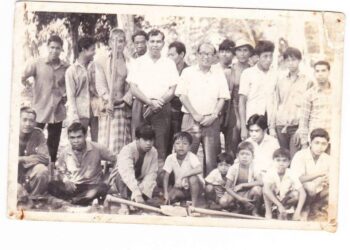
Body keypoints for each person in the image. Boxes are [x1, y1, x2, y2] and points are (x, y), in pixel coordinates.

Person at [176, 42, 230, 176]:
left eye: (210, 54)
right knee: (187, 155)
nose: (206, 57)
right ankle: (184, 187)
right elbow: (182, 96)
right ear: (197, 55)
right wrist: (195, 115)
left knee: (211, 159)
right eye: (203, 54)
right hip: (190, 118)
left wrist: (213, 116)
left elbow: (222, 98)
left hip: (211, 120)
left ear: (214, 57)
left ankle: (210, 189)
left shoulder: (219, 74)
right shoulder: (188, 72)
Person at [127, 29, 179, 168]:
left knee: (160, 143)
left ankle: (158, 181)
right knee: (139, 142)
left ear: (163, 44)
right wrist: (149, 102)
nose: (155, 44)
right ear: (147, 43)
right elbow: (133, 88)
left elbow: (172, 89)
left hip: (162, 107)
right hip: (141, 105)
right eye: (152, 41)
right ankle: (138, 177)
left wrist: (158, 103)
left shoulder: (169, 63)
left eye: (158, 41)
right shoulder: (138, 62)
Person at [22, 35, 69, 162]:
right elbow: (22, 76)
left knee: (53, 142)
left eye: (57, 48)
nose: (54, 51)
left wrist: (65, 96)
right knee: (32, 140)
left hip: (57, 111)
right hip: (39, 109)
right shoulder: (37, 63)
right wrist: (30, 88)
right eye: (52, 47)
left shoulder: (65, 67)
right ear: (48, 47)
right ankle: (28, 165)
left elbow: (69, 84)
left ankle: (51, 169)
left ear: (61, 49)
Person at [48, 122, 113, 205]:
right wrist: (66, 180)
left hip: (92, 185)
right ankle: (82, 200)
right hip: (73, 186)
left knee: (103, 187)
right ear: (68, 138)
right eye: (72, 138)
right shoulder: (65, 152)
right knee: (52, 185)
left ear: (85, 136)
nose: (76, 141)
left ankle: (72, 201)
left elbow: (116, 159)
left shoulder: (97, 148)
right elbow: (60, 171)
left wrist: (108, 178)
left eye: (79, 137)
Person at [95, 28, 132, 155]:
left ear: (125, 43)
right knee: (106, 143)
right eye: (115, 41)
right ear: (110, 42)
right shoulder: (101, 60)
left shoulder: (130, 62)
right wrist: (108, 100)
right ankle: (105, 171)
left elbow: (133, 86)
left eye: (121, 41)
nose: (118, 44)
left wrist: (123, 100)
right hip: (108, 106)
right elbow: (100, 84)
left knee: (120, 144)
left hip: (122, 106)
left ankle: (118, 171)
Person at [108, 125, 158, 214]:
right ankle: (124, 201)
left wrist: (142, 192)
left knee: (153, 188)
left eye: (151, 140)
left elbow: (152, 174)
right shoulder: (127, 150)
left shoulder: (153, 151)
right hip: (121, 181)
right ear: (137, 139)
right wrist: (137, 193)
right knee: (121, 176)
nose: (148, 143)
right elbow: (127, 173)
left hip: (139, 181)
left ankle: (132, 202)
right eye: (145, 140)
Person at [270, 47, 311, 158]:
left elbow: (308, 108)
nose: (291, 63)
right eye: (288, 60)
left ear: (299, 60)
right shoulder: (281, 81)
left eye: (293, 60)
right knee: (282, 159)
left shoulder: (307, 81)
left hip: (296, 126)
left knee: (295, 158)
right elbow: (276, 103)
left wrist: (302, 129)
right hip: (280, 125)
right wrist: (272, 128)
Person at [239, 40, 277, 140]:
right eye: (265, 56)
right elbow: (242, 102)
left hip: (270, 123)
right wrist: (243, 127)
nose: (268, 60)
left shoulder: (276, 74)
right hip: (252, 121)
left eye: (271, 56)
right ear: (258, 57)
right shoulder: (248, 73)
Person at [291, 128, 331, 219]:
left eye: (323, 144)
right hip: (300, 191)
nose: (320, 147)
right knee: (311, 187)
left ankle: (315, 207)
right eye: (316, 143)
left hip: (318, 191)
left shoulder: (328, 159)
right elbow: (299, 179)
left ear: (327, 145)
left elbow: (329, 178)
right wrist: (319, 174)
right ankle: (305, 208)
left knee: (333, 188)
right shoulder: (300, 155)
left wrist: (327, 181)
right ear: (310, 142)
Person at [65, 36, 98, 140]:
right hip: (80, 112)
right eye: (92, 49)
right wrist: (74, 117)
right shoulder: (72, 71)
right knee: (79, 143)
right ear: (84, 50)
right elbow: (71, 96)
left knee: (96, 143)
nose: (94, 52)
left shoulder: (95, 67)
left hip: (95, 111)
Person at [219, 141, 262, 216]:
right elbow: (228, 188)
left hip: (248, 193)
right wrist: (240, 199)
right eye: (242, 154)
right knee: (223, 202)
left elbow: (260, 182)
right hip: (236, 194)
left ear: (253, 157)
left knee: (257, 189)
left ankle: (255, 210)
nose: (244, 157)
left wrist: (243, 185)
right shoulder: (233, 168)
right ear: (237, 155)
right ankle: (238, 207)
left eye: (248, 154)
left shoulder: (254, 167)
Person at [263, 148, 307, 220]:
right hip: (274, 199)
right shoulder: (270, 172)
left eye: (284, 160)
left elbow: (303, 193)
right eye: (278, 160)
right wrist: (279, 205)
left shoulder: (291, 173)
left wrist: (297, 212)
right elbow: (266, 190)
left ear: (289, 162)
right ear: (273, 161)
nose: (281, 163)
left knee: (296, 194)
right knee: (266, 189)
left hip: (285, 199)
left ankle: (285, 210)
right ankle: (268, 213)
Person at [17, 107, 50, 205]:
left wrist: (20, 161)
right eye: (24, 120)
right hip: (10, 174)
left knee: (42, 170)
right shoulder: (8, 132)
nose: (28, 124)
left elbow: (45, 158)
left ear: (35, 122)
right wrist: (23, 159)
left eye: (31, 120)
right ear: (18, 120)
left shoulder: (38, 134)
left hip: (28, 173)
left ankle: (34, 198)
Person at [163, 132, 204, 207]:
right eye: (177, 143)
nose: (181, 146)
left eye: (185, 144)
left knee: (193, 178)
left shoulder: (191, 156)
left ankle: (194, 206)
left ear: (189, 147)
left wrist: (183, 176)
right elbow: (166, 177)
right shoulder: (170, 158)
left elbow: (199, 169)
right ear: (174, 146)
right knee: (170, 198)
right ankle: (185, 201)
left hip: (196, 187)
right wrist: (165, 193)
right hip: (182, 188)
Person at [297, 61, 332, 149]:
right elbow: (303, 121)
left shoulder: (337, 92)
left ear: (329, 72)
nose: (320, 74)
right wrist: (304, 143)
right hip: (315, 141)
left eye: (323, 70)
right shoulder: (309, 94)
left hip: (333, 139)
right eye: (317, 71)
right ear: (314, 73)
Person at [231, 38, 255, 158]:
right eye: (239, 50)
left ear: (250, 52)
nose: (242, 53)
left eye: (245, 50)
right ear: (235, 53)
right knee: (236, 132)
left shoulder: (254, 69)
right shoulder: (231, 69)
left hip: (250, 105)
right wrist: (239, 118)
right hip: (234, 106)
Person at [215, 39, 236, 156]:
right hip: (216, 110)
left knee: (230, 145)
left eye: (228, 51)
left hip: (231, 111)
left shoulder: (235, 70)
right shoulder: (213, 69)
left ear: (233, 54)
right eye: (222, 51)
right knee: (214, 146)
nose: (224, 54)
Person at [167, 41, 189, 154]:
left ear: (181, 54)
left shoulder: (189, 71)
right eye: (168, 55)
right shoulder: (166, 70)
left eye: (173, 55)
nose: (170, 58)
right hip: (167, 111)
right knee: (166, 142)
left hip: (182, 113)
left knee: (180, 142)